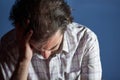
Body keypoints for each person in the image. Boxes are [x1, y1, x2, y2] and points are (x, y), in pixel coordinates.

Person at [0, 0, 102, 80]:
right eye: (36, 48)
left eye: (54, 47)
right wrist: (23, 60)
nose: (45, 55)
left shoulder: (86, 40)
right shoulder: (8, 45)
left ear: (66, 27)